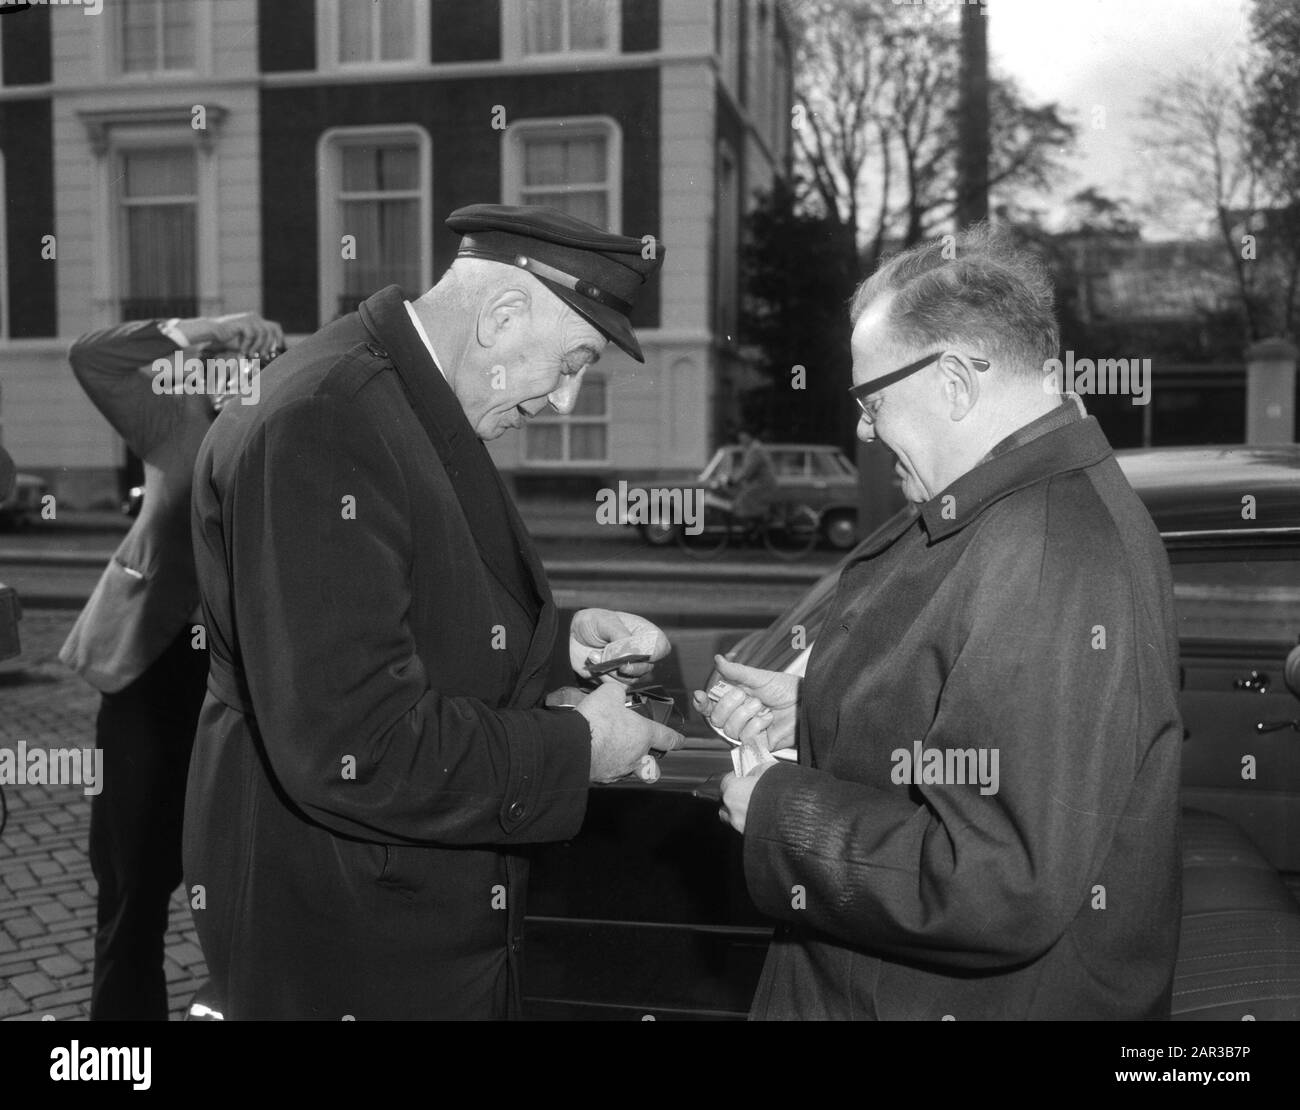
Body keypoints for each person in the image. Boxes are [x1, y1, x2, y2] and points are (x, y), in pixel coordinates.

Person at [184, 203, 683, 1020]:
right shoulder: (329, 419)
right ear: (503, 315)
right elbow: (355, 739)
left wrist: (557, 658)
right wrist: (577, 747)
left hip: (385, 904)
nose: (565, 401)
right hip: (347, 936)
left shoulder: (401, 399)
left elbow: (399, 618)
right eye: (572, 363)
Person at [694, 224, 1183, 1020]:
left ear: (953, 381)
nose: (863, 428)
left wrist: (779, 810)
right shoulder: (1006, 505)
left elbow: (996, 881)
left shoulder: (1047, 553)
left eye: (871, 400)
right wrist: (817, 710)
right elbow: (965, 720)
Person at [58, 311, 285, 1020]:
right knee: (132, 881)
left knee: (246, 885)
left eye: (259, 359)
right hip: (147, 672)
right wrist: (209, 325)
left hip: (237, 682)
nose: (242, 366)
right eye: (230, 356)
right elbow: (92, 357)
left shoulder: (285, 439)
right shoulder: (170, 418)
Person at [727, 429, 778, 521]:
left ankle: (753, 526)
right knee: (742, 497)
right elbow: (745, 469)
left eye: (743, 437)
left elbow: (748, 470)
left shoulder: (755, 450)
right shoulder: (752, 449)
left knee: (744, 500)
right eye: (740, 437)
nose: (741, 440)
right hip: (760, 483)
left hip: (762, 484)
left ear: (750, 437)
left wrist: (734, 480)